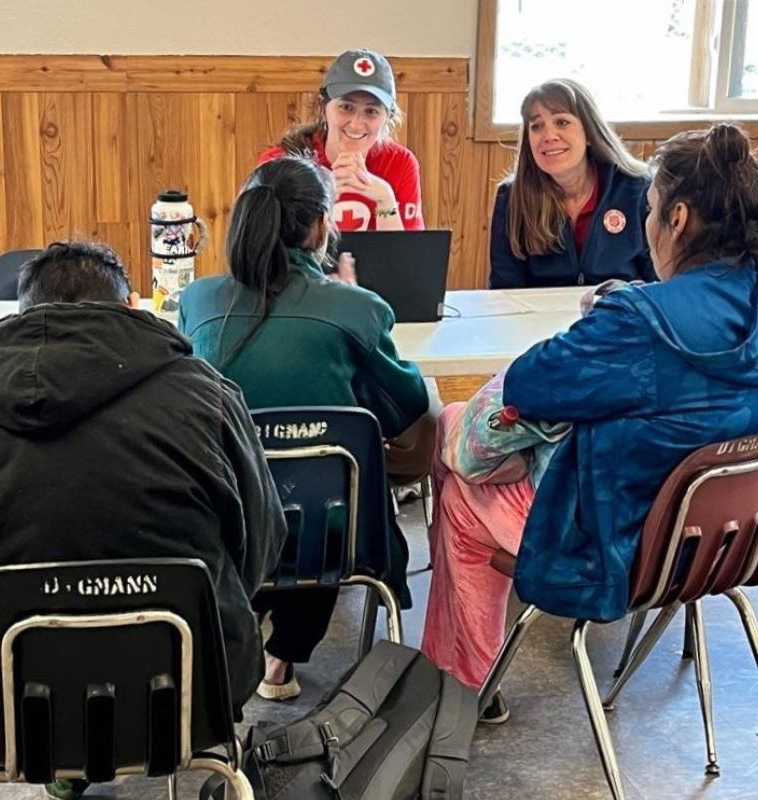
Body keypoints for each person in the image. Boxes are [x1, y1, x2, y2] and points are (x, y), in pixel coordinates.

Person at [424, 122, 758, 722]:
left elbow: (529, 386)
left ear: (677, 219)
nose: (646, 224)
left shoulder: (637, 323)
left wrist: (617, 316)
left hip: (616, 546)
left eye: (650, 210)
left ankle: (462, 690)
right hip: (728, 544)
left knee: (461, 487)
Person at [0, 241, 286, 800]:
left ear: (20, 318)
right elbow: (263, 540)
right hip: (191, 688)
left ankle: (63, 760)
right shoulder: (207, 395)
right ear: (132, 307)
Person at [179, 155, 438, 701]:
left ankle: (238, 639)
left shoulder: (198, 301)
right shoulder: (358, 309)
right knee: (319, 490)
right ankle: (282, 658)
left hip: (221, 528)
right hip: (331, 541)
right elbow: (408, 406)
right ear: (321, 224)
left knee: (275, 488)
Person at [488, 78, 656, 288]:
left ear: (589, 132)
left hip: (617, 315)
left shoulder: (637, 189)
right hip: (539, 318)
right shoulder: (512, 197)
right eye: (537, 126)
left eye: (562, 122)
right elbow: (504, 289)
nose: (549, 136)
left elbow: (657, 282)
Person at [258, 49, 424, 232]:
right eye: (346, 107)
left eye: (371, 111)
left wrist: (386, 201)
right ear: (323, 108)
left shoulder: (400, 163)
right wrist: (318, 196)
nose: (356, 124)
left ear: (387, 117)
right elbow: (263, 249)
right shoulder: (281, 162)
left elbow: (406, 258)